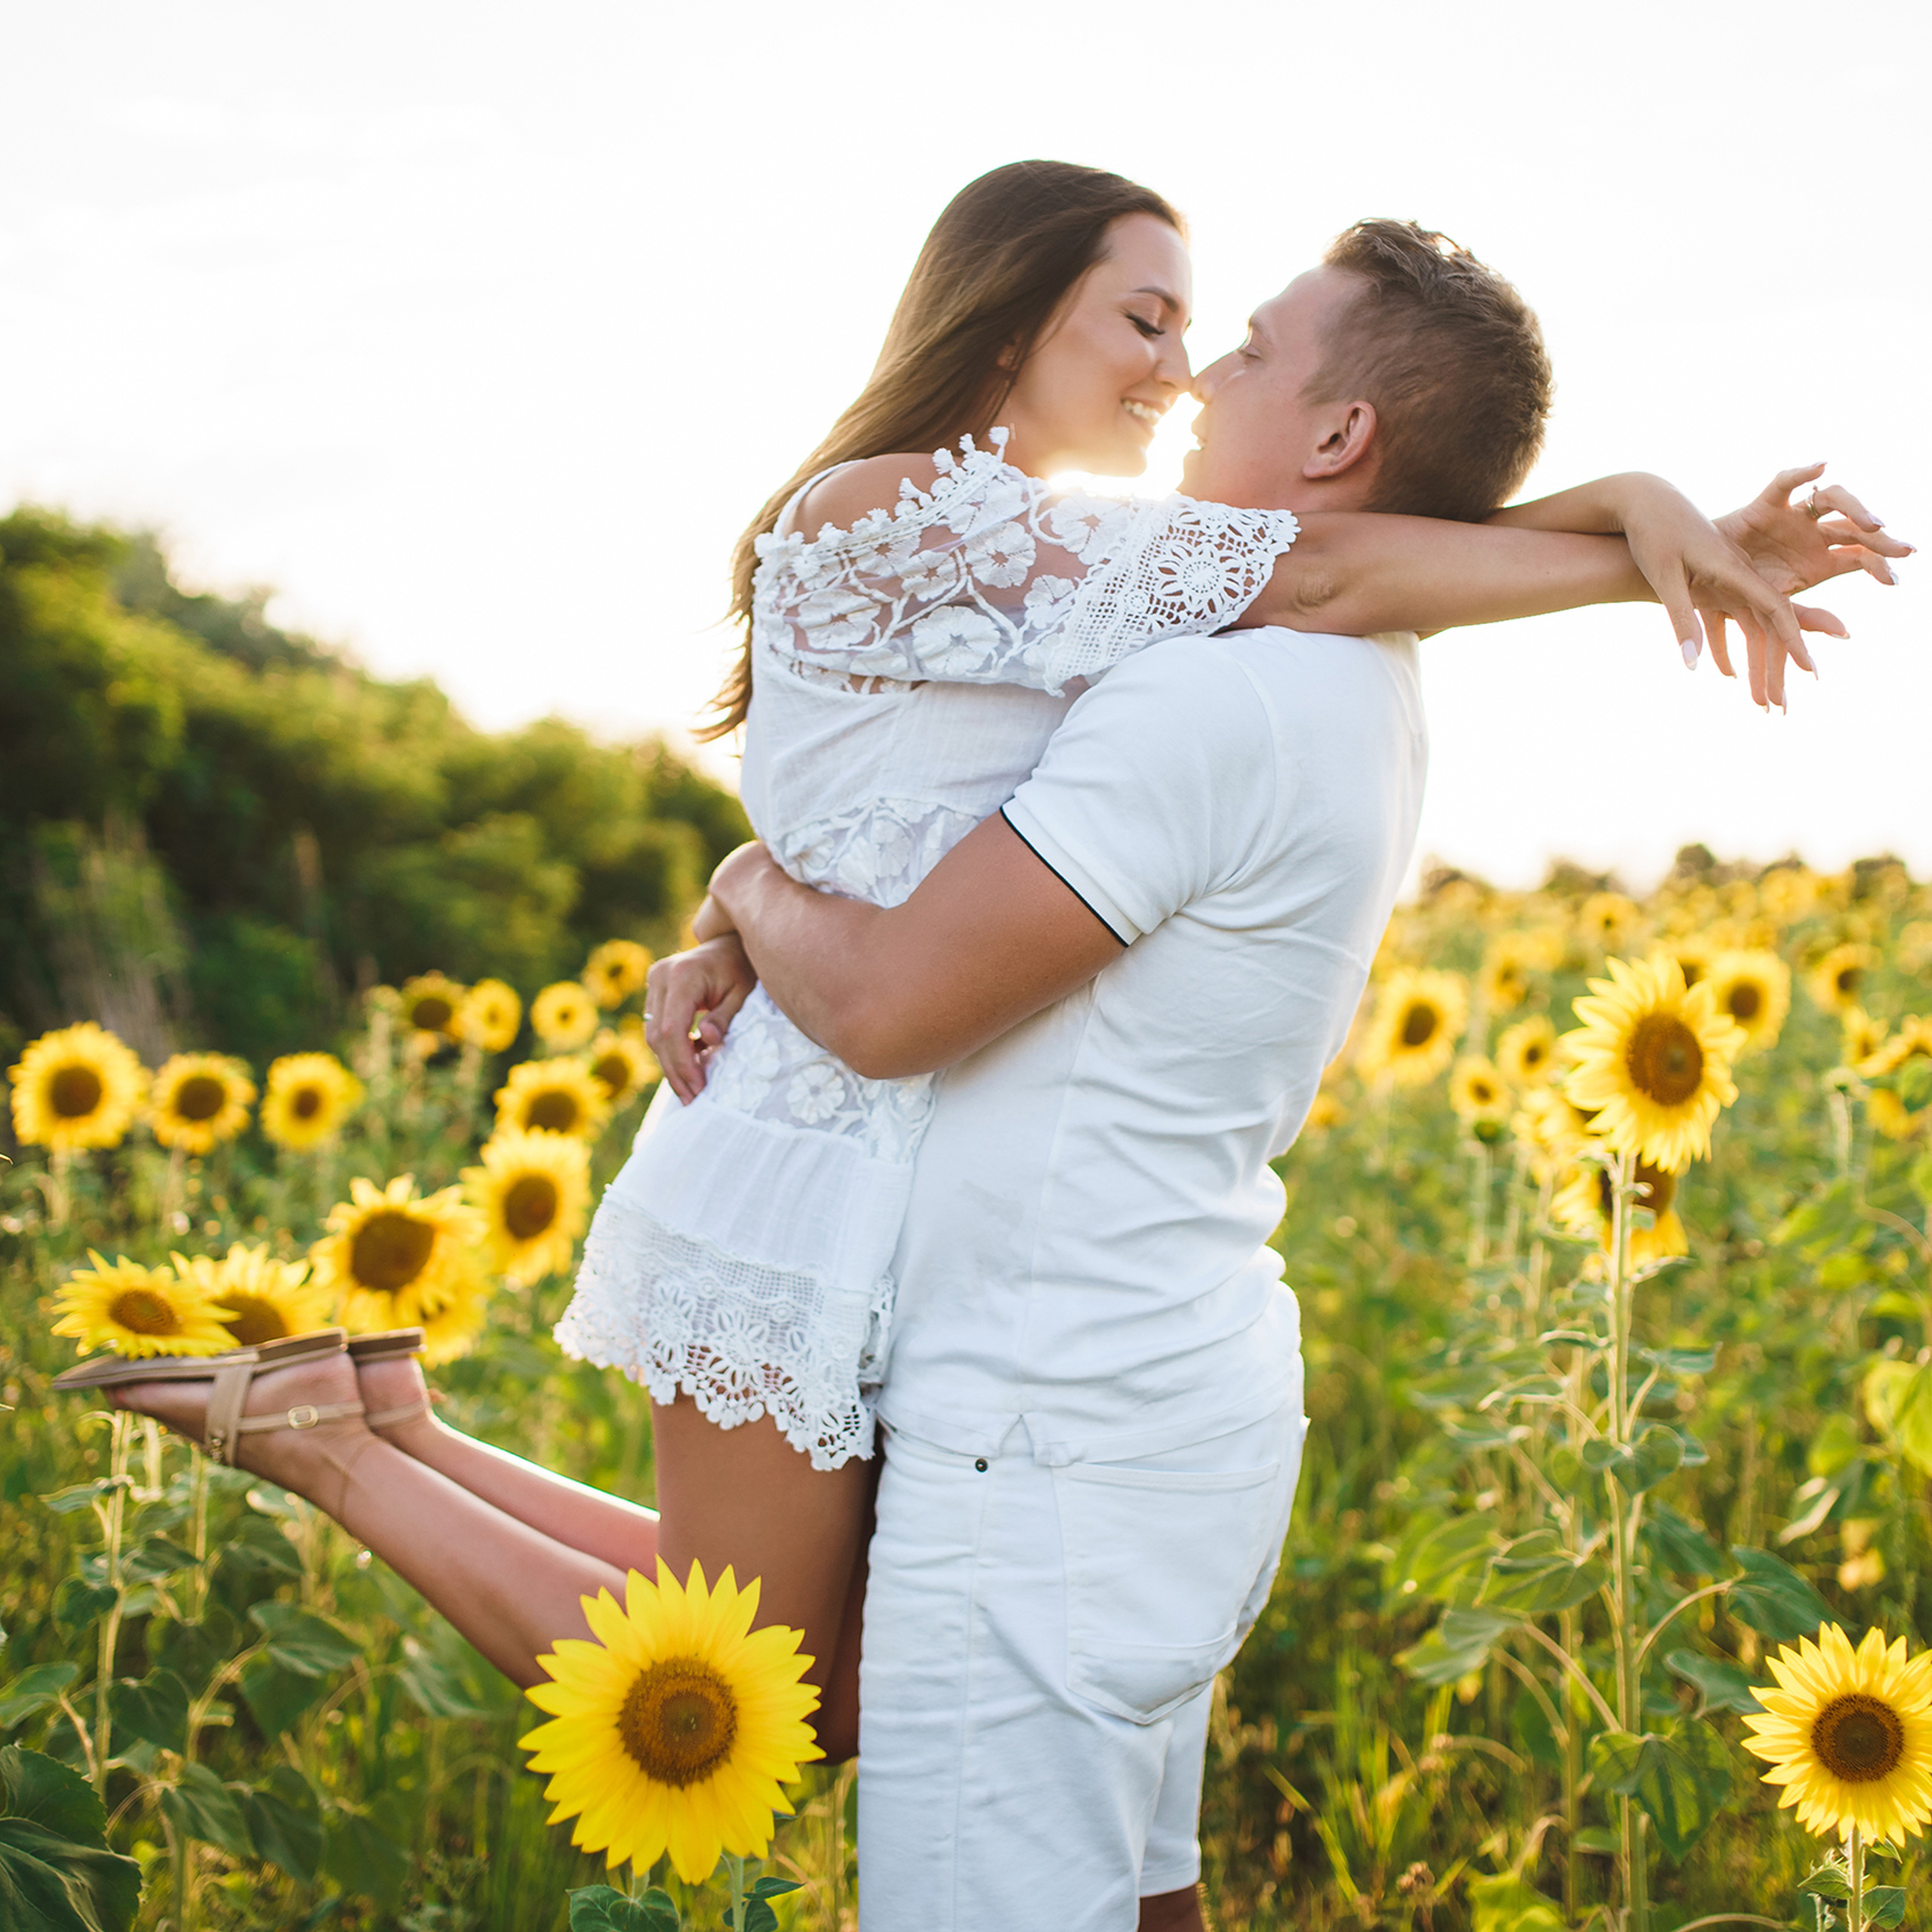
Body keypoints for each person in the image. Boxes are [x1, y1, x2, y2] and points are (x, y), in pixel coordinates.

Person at [95, 161, 1895, 1826]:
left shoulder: (1059, 555)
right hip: (796, 1152)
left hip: (878, 1164)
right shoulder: (892, 510)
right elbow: (1339, 555)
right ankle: (335, 1452)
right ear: (1006, 311)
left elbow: (1369, 530)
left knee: (794, 1642)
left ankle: (392, 1421)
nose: (1182, 371)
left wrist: (1649, 513)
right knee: (755, 1678)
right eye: (1145, 318)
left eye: (1201, 332)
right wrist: (1642, 534)